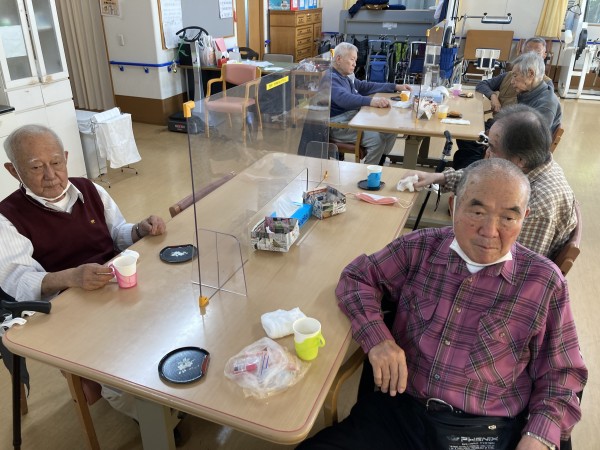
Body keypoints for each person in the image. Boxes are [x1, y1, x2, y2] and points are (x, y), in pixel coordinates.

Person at [298, 158, 587, 450]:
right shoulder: (419, 247)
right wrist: (378, 339)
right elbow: (357, 277)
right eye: (477, 212)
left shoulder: (544, 282)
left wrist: (538, 437)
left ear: (524, 217)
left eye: (508, 218)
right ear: (453, 206)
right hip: (401, 412)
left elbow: (562, 374)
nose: (490, 231)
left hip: (483, 431)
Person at [0, 124, 167, 421]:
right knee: (116, 373)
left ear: (66, 158)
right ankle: (156, 419)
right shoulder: (7, 217)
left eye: (56, 163)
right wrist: (71, 277)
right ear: (14, 171)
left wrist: (139, 230)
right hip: (68, 307)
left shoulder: (90, 189)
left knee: (166, 320)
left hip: (115, 286)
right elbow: (17, 280)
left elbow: (117, 233)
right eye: (36, 167)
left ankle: (171, 389)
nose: (50, 175)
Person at [400, 104, 576, 260]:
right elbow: (486, 178)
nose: (487, 153)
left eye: (492, 147)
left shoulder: (539, 207)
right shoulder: (533, 164)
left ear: (520, 160)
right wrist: (439, 177)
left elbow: (518, 266)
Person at [453, 51, 561, 169]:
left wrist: (494, 140)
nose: (512, 81)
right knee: (466, 137)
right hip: (512, 137)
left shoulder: (546, 104)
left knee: (468, 150)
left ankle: (473, 172)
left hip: (519, 153)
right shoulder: (530, 93)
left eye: (515, 76)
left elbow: (528, 141)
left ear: (531, 73)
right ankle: (468, 169)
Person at [328, 42, 411, 165]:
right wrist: (371, 101)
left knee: (391, 130)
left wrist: (395, 86)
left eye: (355, 60)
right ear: (339, 59)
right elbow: (344, 99)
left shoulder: (345, 76)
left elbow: (365, 86)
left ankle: (379, 163)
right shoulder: (331, 78)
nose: (355, 64)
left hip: (352, 117)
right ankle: (367, 172)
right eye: (352, 59)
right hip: (338, 125)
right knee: (376, 139)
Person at [477, 37, 553, 116]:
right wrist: (493, 96)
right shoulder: (509, 75)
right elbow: (482, 84)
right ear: (521, 54)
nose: (531, 58)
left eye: (537, 54)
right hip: (500, 120)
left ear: (544, 56)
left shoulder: (545, 86)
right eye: (528, 53)